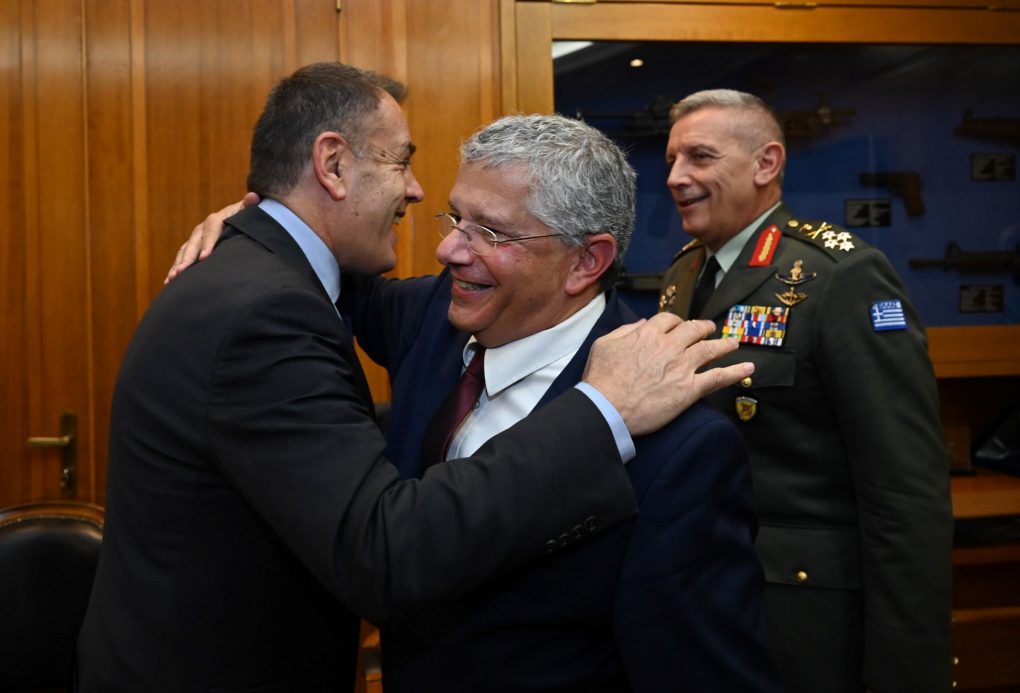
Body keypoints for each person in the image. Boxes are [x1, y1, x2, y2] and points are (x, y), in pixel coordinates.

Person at [75, 64, 750, 692]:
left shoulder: (679, 438)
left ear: (585, 262)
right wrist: (259, 220)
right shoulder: (432, 317)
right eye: (456, 218)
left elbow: (700, 666)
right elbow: (309, 260)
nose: (447, 248)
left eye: (490, 232)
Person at [656, 89, 953, 693]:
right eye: (671, 160)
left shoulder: (839, 276)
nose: (675, 177)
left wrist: (905, 668)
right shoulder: (685, 271)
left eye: (700, 157)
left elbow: (904, 492)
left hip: (804, 613)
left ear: (766, 164)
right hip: (703, 593)